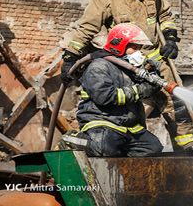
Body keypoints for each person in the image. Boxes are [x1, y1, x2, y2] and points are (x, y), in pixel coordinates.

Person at [59, 0, 193, 155]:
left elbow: (166, 16)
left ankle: (186, 145)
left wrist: (170, 39)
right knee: (129, 103)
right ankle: (107, 143)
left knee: (174, 100)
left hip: (155, 56)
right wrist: (71, 57)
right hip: (125, 61)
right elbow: (87, 28)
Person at [59, 23, 163, 157]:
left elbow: (147, 87)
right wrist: (140, 91)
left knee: (153, 148)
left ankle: (119, 156)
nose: (139, 52)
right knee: (104, 148)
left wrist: (153, 75)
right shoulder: (98, 66)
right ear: (120, 45)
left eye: (140, 48)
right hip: (102, 121)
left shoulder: (130, 67)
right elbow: (105, 97)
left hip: (128, 125)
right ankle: (71, 139)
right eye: (135, 48)